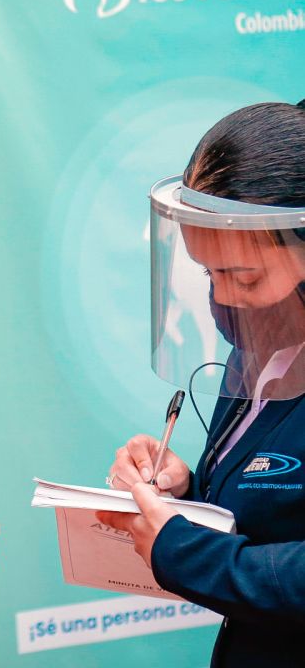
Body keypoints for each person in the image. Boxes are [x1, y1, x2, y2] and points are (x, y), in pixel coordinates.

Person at [100, 99, 305, 668]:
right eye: (209, 273)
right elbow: (271, 511)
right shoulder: (263, 351)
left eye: (243, 276)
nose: (223, 299)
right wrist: (185, 494)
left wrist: (183, 549)